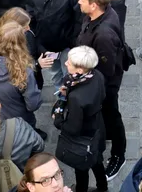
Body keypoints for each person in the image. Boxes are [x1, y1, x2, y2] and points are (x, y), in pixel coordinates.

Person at [75, 0, 128, 182]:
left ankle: (118, 154)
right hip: (99, 79)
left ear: (94, 5)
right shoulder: (97, 15)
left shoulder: (104, 34)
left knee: (111, 114)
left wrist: (93, 91)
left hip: (106, 85)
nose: (79, 2)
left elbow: (105, 70)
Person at [51, 46, 107, 192]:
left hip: (84, 135)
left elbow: (72, 128)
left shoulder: (77, 98)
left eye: (69, 62)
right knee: (97, 160)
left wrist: (57, 118)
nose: (65, 63)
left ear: (80, 70)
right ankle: (103, 187)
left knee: (81, 170)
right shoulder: (97, 75)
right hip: (98, 127)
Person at [26, 0, 83, 86]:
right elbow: (30, 3)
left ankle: (68, 99)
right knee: (55, 73)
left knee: (68, 73)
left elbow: (79, 19)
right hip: (44, 41)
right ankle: (61, 96)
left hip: (65, 43)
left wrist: (72, 42)